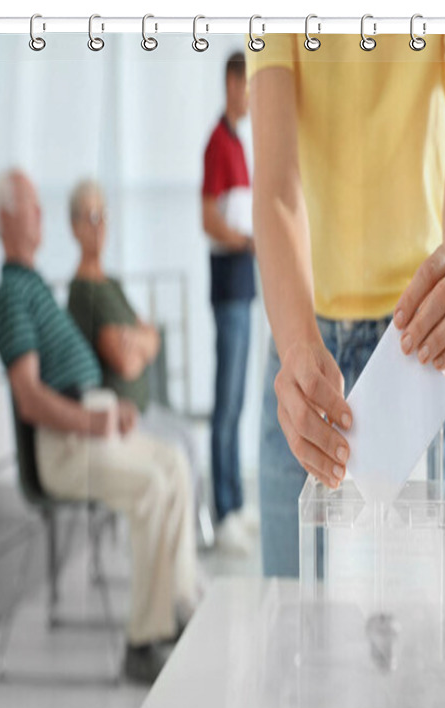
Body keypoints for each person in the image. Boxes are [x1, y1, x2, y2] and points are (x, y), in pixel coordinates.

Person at [247, 36, 445, 577]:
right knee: (290, 618)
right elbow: (274, 184)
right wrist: (297, 342)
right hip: (303, 344)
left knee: (412, 640)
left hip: (410, 347)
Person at [0, 169, 200, 683]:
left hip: (87, 426)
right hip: (64, 447)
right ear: (5, 218)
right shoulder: (12, 297)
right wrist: (94, 418)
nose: (43, 215)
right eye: (32, 206)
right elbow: (30, 399)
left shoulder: (35, 285)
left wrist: (110, 409)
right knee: (152, 484)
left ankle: (178, 610)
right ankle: (142, 642)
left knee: (173, 462)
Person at [65, 178, 214, 551]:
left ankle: (192, 547)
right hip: (124, 417)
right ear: (74, 226)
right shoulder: (82, 293)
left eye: (104, 215)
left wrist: (139, 339)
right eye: (91, 216)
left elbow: (152, 337)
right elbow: (126, 363)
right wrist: (138, 340)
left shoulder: (111, 283)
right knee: (179, 452)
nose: (100, 226)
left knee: (190, 440)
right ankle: (180, 555)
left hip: (148, 408)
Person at [201, 52, 256, 554]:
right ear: (231, 83)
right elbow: (209, 219)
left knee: (237, 404)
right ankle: (222, 511)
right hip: (229, 290)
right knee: (226, 404)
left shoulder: (240, 144)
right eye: (247, 84)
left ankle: (236, 504)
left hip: (244, 288)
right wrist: (246, 241)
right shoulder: (218, 144)